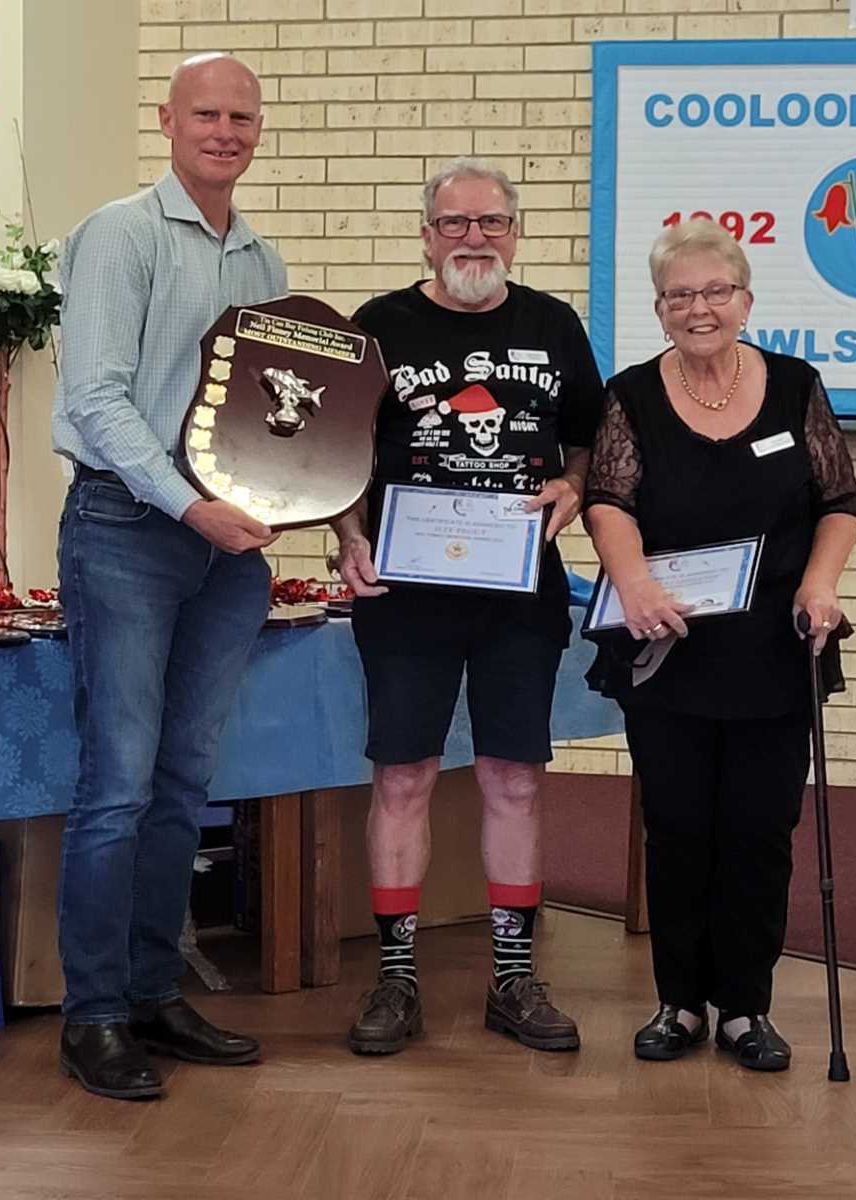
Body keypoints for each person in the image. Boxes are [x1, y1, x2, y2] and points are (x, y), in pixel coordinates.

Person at [52, 53, 287, 1100]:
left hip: (227, 546)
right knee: (116, 787)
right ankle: (93, 1013)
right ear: (168, 120)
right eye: (207, 112)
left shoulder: (263, 263)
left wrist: (282, 499)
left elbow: (281, 415)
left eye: (241, 114)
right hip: (126, 530)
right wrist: (190, 504)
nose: (224, 129)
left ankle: (153, 990)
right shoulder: (120, 235)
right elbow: (99, 401)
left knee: (183, 784)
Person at [333, 159, 604, 1056]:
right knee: (402, 778)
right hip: (404, 592)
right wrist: (348, 536)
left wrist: (571, 485)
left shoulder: (552, 323)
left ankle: (514, 977)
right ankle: (396, 978)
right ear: (426, 233)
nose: (473, 238)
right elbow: (337, 453)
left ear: (516, 231)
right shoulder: (380, 326)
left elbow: (591, 439)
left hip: (519, 591)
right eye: (454, 224)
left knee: (514, 779)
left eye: (491, 222)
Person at [583, 218, 856, 1071]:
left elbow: (839, 499)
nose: (699, 308)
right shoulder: (631, 393)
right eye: (680, 295)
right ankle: (679, 1001)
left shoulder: (794, 385)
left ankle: (745, 1006)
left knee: (758, 828)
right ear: (660, 310)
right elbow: (608, 499)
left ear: (745, 300)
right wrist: (630, 582)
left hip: (776, 645)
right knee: (676, 828)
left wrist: (821, 584)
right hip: (666, 641)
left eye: (715, 291)